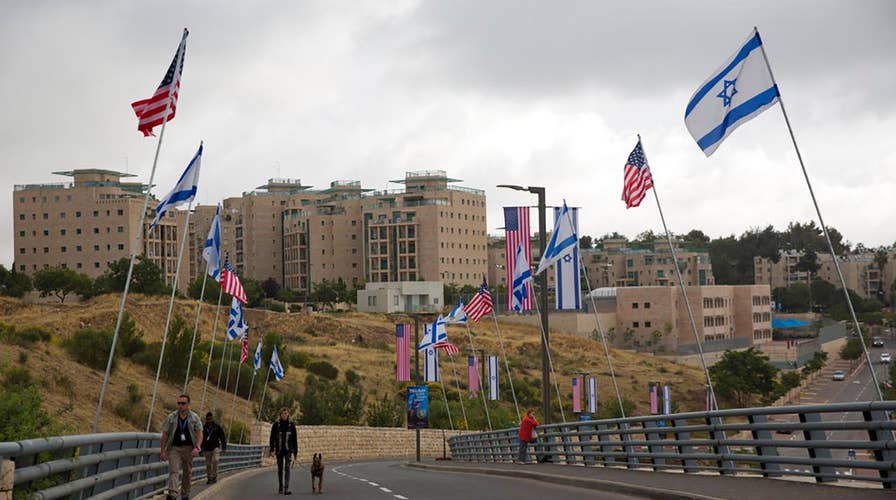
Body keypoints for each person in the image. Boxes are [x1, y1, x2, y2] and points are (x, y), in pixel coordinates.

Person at [160, 394, 203, 500]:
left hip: (189, 449)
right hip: (175, 448)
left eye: (183, 403)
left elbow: (199, 433)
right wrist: (163, 451)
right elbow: (165, 434)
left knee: (187, 472)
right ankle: (173, 494)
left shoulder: (194, 417)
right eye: (178, 403)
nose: (180, 405)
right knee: (173, 470)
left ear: (188, 404)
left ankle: (185, 494)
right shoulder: (171, 417)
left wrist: (197, 447)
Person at [269, 407, 298, 495]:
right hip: (279, 451)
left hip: (288, 450)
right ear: (280, 415)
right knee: (280, 469)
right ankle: (280, 487)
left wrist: (295, 452)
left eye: (286, 413)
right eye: (283, 413)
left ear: (288, 414)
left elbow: (294, 439)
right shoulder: (276, 425)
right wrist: (272, 449)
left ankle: (286, 488)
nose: (284, 415)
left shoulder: (291, 425)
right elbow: (272, 438)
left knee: (287, 468)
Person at [200, 411, 227, 484]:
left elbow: (222, 436)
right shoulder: (203, 428)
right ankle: (209, 478)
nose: (209, 421)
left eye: (210, 419)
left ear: (212, 419)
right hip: (206, 448)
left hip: (215, 447)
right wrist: (200, 448)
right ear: (206, 419)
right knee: (208, 464)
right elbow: (200, 438)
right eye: (207, 419)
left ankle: (214, 476)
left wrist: (224, 447)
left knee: (215, 460)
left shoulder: (217, 427)